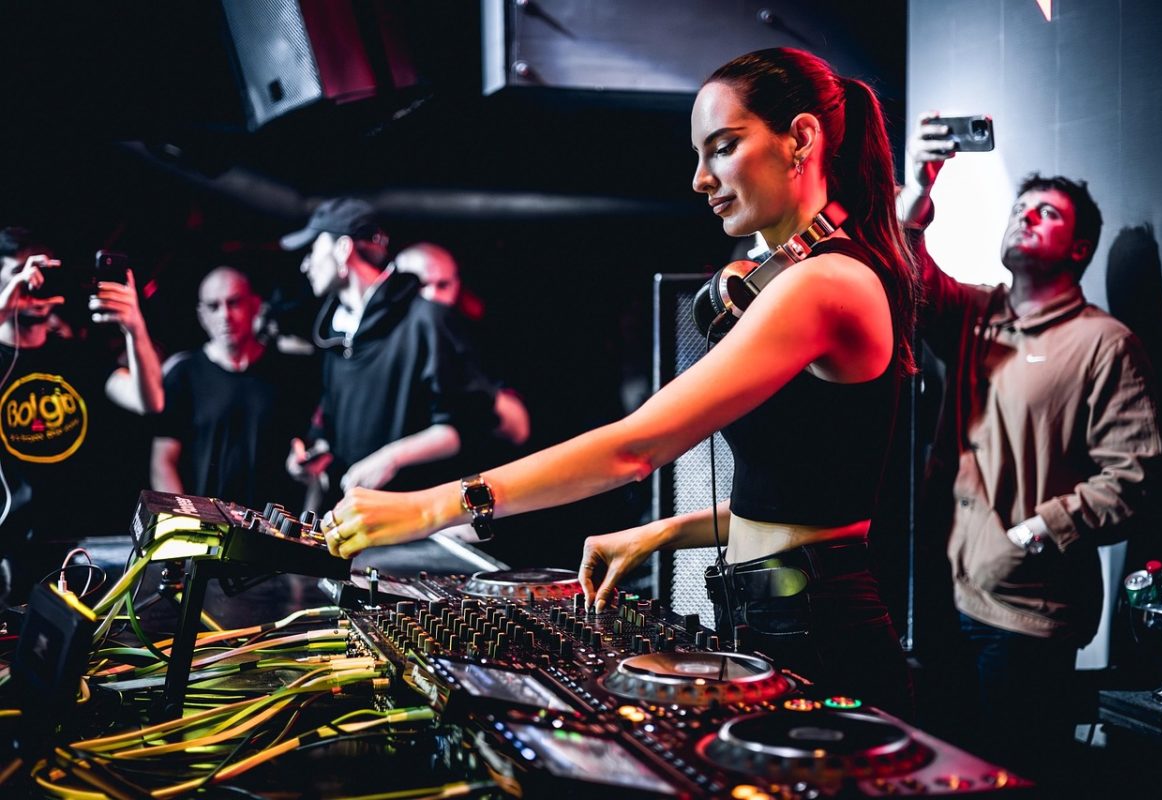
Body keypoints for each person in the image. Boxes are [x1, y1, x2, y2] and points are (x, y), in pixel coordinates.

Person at [315, 49, 919, 715]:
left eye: (721, 147)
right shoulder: (803, 281)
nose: (699, 179)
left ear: (801, 137)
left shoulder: (827, 284)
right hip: (783, 620)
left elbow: (636, 449)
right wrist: (661, 532)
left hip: (823, 635)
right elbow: (806, 503)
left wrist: (428, 507)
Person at [901, 117, 1161, 767]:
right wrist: (918, 194)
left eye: (1045, 213)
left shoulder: (1105, 343)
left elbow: (1132, 477)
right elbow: (902, 282)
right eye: (1020, 208)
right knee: (944, 768)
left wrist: (1034, 533)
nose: (1025, 218)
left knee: (1013, 772)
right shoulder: (975, 310)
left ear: (1079, 250)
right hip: (943, 594)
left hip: (1028, 615)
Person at [280, 199, 498, 506]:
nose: (305, 264)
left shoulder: (426, 319)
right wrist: (316, 452)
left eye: (312, 249)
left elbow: (466, 427)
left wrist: (391, 458)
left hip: (415, 520)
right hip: (349, 517)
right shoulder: (334, 330)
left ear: (343, 248)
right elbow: (331, 417)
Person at [0, 226, 164, 601]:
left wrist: (134, 327)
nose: (34, 281)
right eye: (20, 271)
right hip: (6, 545)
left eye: (43, 271)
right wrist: (5, 306)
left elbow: (149, 400)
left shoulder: (75, 355)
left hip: (72, 545)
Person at [150, 266, 319, 510]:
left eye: (234, 303)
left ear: (254, 305)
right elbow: (163, 461)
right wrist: (187, 520)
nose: (225, 315)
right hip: (206, 529)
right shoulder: (184, 374)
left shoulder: (287, 372)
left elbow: (305, 447)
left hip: (270, 530)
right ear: (201, 315)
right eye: (213, 306)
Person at [393, 242, 530, 448]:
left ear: (457, 284)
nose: (432, 296)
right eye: (420, 286)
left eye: (442, 285)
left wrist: (475, 389)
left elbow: (518, 428)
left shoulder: (477, 337)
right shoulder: (380, 341)